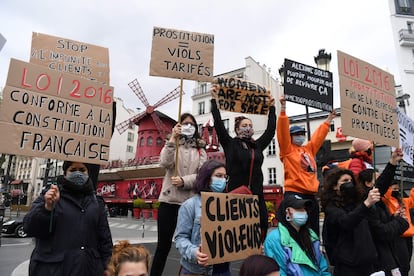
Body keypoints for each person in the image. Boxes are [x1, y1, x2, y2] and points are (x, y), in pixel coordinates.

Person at [23, 161, 113, 276]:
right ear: (65, 173)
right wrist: (47, 208)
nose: (78, 173)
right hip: (53, 270)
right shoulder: (49, 195)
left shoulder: (96, 202)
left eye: (82, 170)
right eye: (73, 169)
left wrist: (108, 266)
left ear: (88, 173)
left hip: (89, 270)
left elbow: (105, 240)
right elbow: (29, 228)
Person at [211, 85, 276, 241]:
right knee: (235, 236)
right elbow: (219, 124)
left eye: (250, 126)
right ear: (237, 129)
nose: (248, 128)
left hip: (256, 195)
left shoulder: (257, 145)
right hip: (236, 196)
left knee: (259, 231)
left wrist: (272, 109)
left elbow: (270, 131)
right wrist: (214, 101)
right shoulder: (230, 143)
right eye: (244, 126)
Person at [150, 113, 207, 276]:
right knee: (163, 246)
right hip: (169, 200)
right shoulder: (173, 144)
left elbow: (203, 175)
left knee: (189, 245)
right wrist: (172, 140)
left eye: (192, 124)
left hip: (189, 204)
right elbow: (165, 162)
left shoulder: (200, 149)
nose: (189, 126)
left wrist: (184, 180)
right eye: (185, 123)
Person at [277, 96, 335, 236]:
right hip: (295, 194)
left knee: (313, 230)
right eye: (296, 134)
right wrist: (283, 110)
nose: (300, 137)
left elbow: (318, 138)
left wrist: (329, 120)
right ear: (290, 137)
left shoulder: (308, 150)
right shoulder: (287, 150)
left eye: (302, 134)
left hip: (311, 195)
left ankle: (314, 253)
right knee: (297, 230)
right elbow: (282, 133)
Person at [175, 160, 231, 276]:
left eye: (225, 177)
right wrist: (195, 253)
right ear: (206, 178)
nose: (223, 180)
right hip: (197, 271)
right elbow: (181, 238)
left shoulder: (230, 205)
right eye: (218, 176)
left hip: (224, 270)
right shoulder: (189, 206)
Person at [320, 167, 380, 276]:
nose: (349, 184)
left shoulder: (357, 202)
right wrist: (365, 205)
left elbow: (380, 187)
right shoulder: (332, 209)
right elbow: (347, 222)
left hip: (368, 263)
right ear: (334, 186)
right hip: (348, 266)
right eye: (345, 181)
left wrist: (392, 162)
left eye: (351, 181)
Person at [264, 194, 330, 276]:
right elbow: (278, 272)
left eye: (304, 209)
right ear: (287, 212)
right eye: (298, 209)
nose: (304, 212)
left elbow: (323, 268)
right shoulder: (275, 239)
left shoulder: (311, 235)